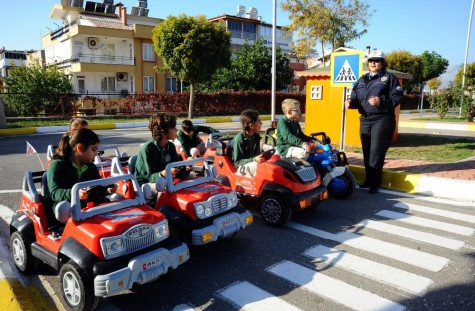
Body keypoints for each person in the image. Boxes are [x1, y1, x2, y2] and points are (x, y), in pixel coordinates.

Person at [345, 49, 404, 194]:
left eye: (377, 60)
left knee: (376, 152)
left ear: (382, 63)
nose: (373, 63)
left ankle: (375, 183)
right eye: (371, 60)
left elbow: (397, 97)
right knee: (366, 150)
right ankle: (368, 180)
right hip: (365, 118)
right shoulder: (362, 79)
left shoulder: (389, 78)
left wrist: (381, 101)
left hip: (383, 119)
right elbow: (355, 97)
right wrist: (350, 103)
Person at [46, 128, 115, 212]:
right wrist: (75, 193)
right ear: (80, 148)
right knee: (63, 210)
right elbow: (55, 192)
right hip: (66, 208)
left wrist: (106, 189)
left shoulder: (90, 166)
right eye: (93, 149)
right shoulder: (57, 165)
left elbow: (96, 185)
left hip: (87, 207)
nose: (96, 153)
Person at [134, 113, 182, 199]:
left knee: (188, 182)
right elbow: (150, 176)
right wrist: (164, 173)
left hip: (165, 179)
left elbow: (175, 165)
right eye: (173, 128)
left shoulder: (170, 146)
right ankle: (162, 210)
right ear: (163, 132)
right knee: (163, 188)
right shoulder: (148, 148)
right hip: (145, 183)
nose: (176, 130)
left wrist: (183, 169)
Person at [231, 109, 264, 177]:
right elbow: (237, 163)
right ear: (251, 125)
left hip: (251, 164)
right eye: (259, 121)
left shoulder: (256, 137)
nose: (261, 123)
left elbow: (257, 155)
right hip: (239, 168)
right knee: (257, 166)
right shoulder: (239, 139)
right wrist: (254, 159)